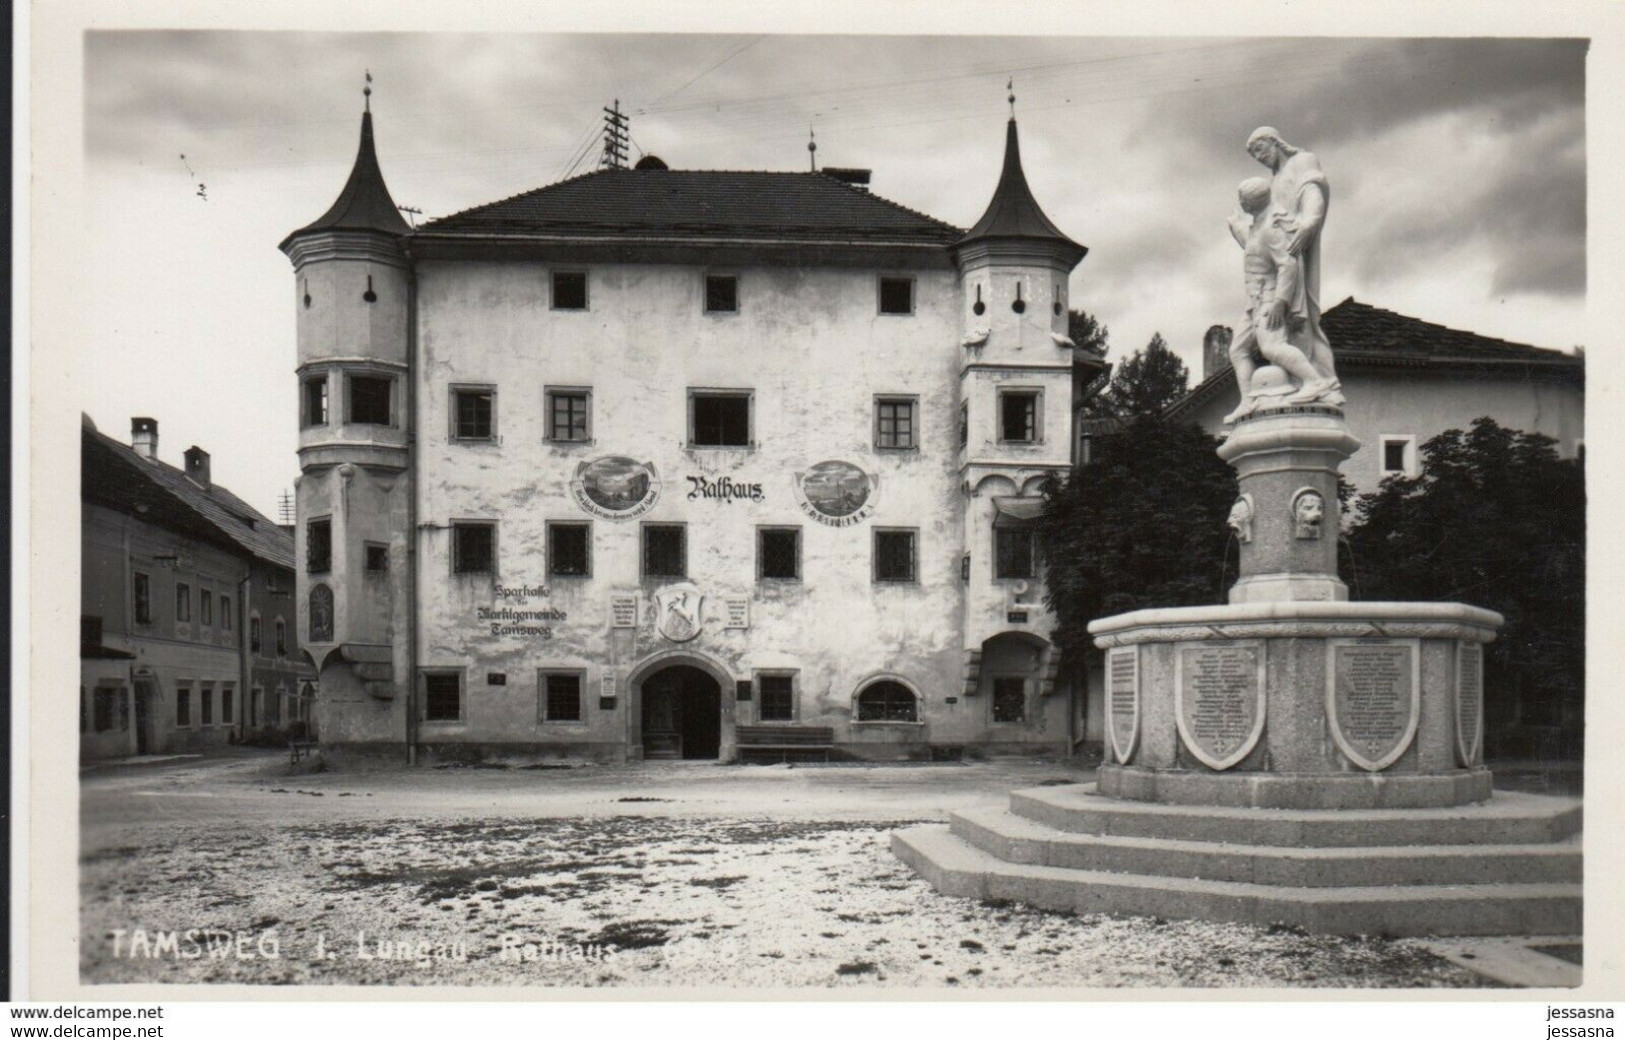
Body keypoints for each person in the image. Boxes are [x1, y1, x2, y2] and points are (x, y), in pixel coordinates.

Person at [1222, 177, 1340, 423]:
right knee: (1238, 350)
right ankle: (1248, 400)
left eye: (1243, 200)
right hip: (1254, 302)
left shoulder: (1272, 227)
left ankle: (1316, 382)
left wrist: (1280, 302)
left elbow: (1287, 264)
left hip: (1269, 299)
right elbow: (1254, 248)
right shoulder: (1258, 226)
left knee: (1271, 347)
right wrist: (1235, 228)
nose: (1241, 204)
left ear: (1254, 201)